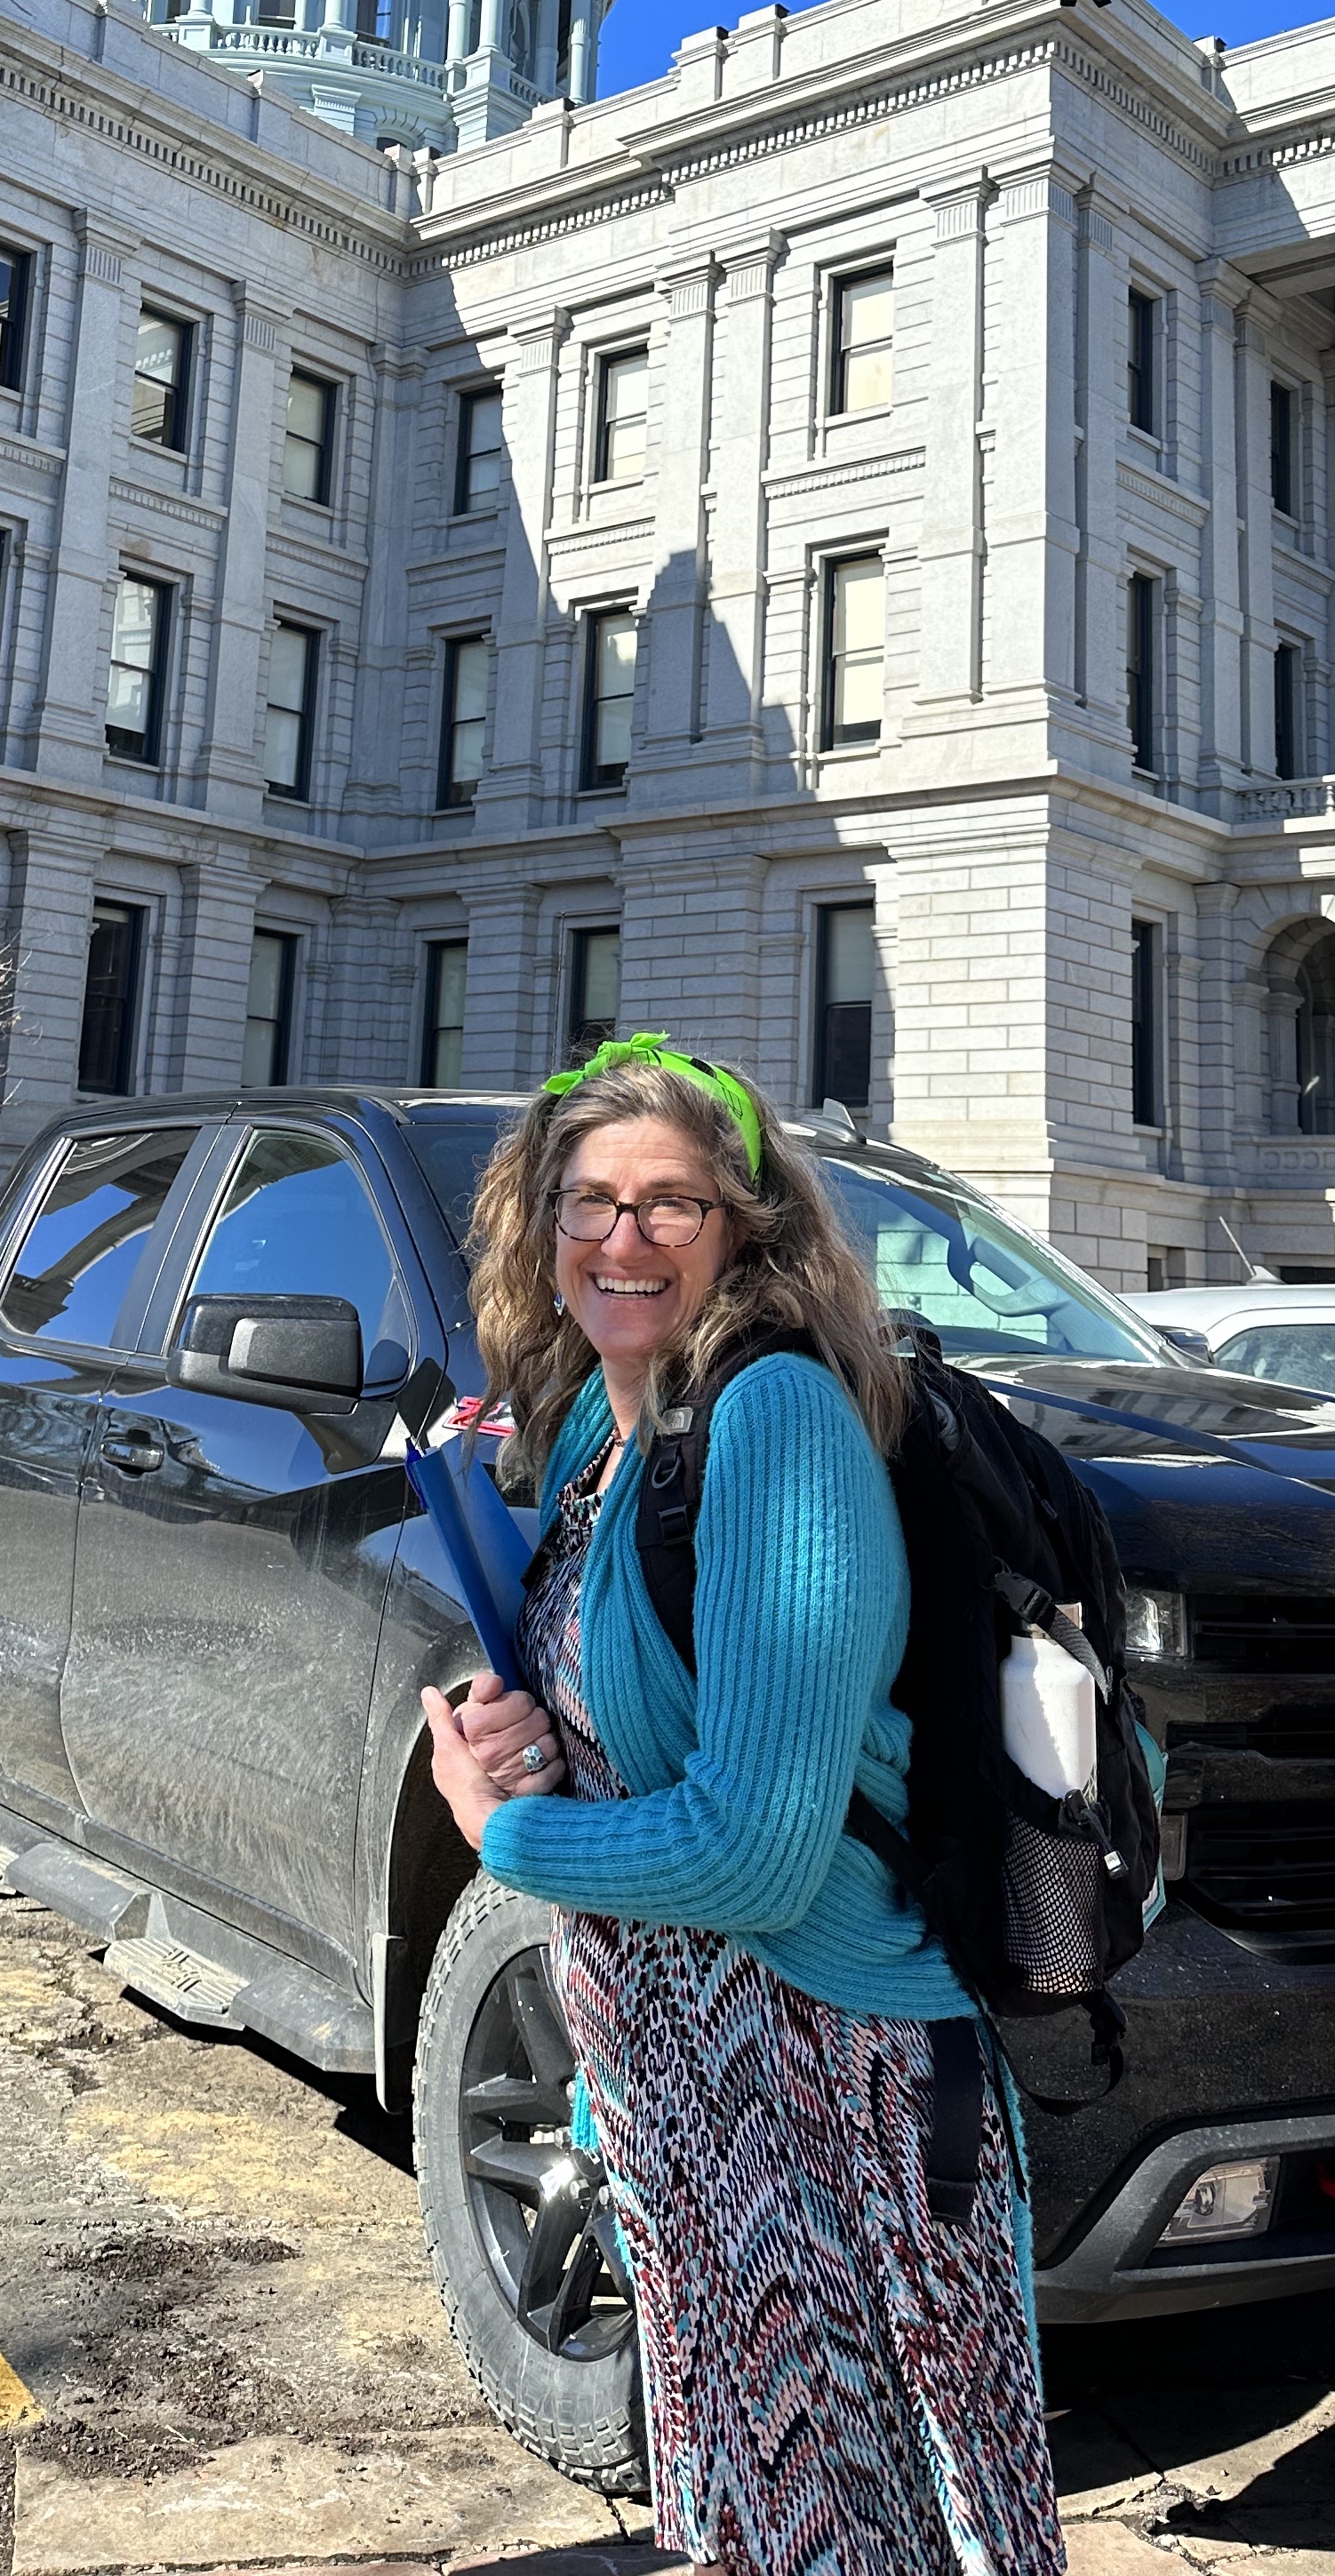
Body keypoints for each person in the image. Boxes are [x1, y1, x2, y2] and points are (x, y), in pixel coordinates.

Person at [420, 1031, 1067, 2576]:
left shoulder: (775, 1421)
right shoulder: (596, 1418)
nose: (621, 1240)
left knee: (874, 2528)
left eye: (671, 1206)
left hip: (829, 2073)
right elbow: (637, 1717)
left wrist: (499, 1830)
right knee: (744, 2505)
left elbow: (759, 1848)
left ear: (746, 1232)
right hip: (679, 2074)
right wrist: (526, 1740)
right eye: (589, 1203)